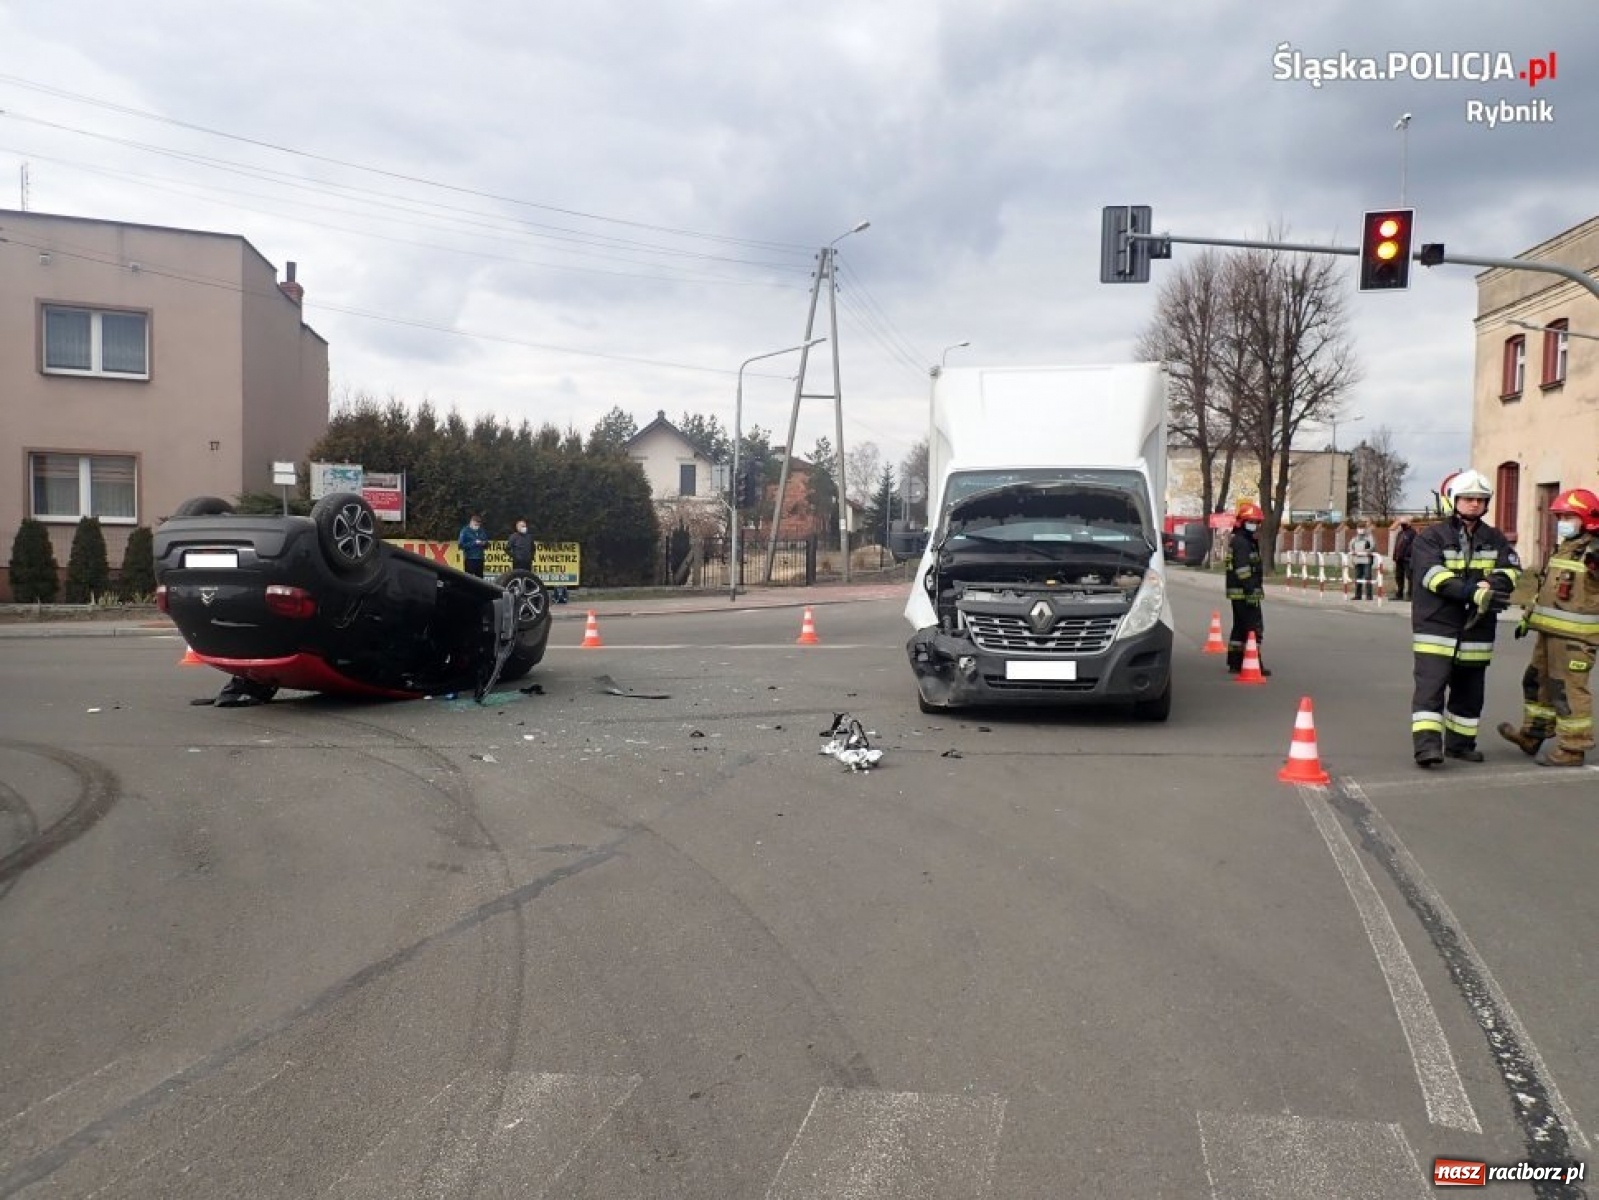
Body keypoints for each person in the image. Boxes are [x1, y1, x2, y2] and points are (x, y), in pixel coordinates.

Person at [1409, 469, 1521, 767]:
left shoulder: (1494, 537)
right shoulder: (1431, 538)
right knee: (1430, 690)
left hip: (1477, 629)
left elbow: (1510, 570)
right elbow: (1434, 577)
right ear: (1453, 500)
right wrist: (1473, 591)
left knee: (1470, 691)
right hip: (1437, 625)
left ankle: (1460, 744)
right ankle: (1427, 747)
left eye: (1480, 499)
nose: (1474, 504)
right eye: (1468, 498)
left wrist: (1492, 585)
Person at [1497, 487, 1599, 767]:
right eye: (1559, 516)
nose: (1562, 522)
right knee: (1536, 683)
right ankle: (1533, 734)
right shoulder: (1565, 548)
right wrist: (1529, 618)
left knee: (1567, 690)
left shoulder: (1593, 549)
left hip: (1576, 641)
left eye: (1568, 516)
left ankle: (1573, 748)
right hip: (1549, 634)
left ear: (1587, 519)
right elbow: (1549, 590)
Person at [1224, 500, 1270, 676]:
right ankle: (1253, 663)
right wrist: (1251, 590)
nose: (1255, 526)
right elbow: (1243, 569)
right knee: (1254, 628)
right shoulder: (1242, 542)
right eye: (1252, 522)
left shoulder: (1243, 540)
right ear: (1243, 522)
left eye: (1257, 522)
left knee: (1240, 627)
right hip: (1245, 592)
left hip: (1239, 592)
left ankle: (1235, 662)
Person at [1348, 522, 1376, 601]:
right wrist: (1352, 551)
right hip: (1357, 560)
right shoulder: (1355, 538)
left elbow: (1373, 545)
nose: (1360, 530)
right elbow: (1350, 545)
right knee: (1358, 577)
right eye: (1359, 528)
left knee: (1367, 577)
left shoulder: (1369, 536)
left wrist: (1367, 550)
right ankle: (1358, 595)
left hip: (1366, 560)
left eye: (1362, 528)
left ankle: (1369, 596)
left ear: (1365, 529)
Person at [1392, 517, 1417, 600]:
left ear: (1409, 523)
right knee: (1398, 577)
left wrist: (1406, 554)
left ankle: (1410, 595)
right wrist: (1395, 555)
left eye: (1404, 522)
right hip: (1399, 558)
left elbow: (1412, 546)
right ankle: (1399, 594)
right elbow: (1397, 545)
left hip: (1407, 559)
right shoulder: (1400, 533)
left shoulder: (1412, 533)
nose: (1402, 524)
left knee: (1409, 577)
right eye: (1401, 523)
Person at [458, 513, 489, 578]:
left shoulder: (482, 531)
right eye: (475, 525)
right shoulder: (465, 531)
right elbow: (461, 545)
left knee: (480, 579)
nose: (477, 527)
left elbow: (487, 544)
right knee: (469, 579)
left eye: (478, 525)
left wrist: (484, 543)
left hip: (480, 558)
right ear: (471, 522)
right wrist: (474, 543)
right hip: (470, 559)